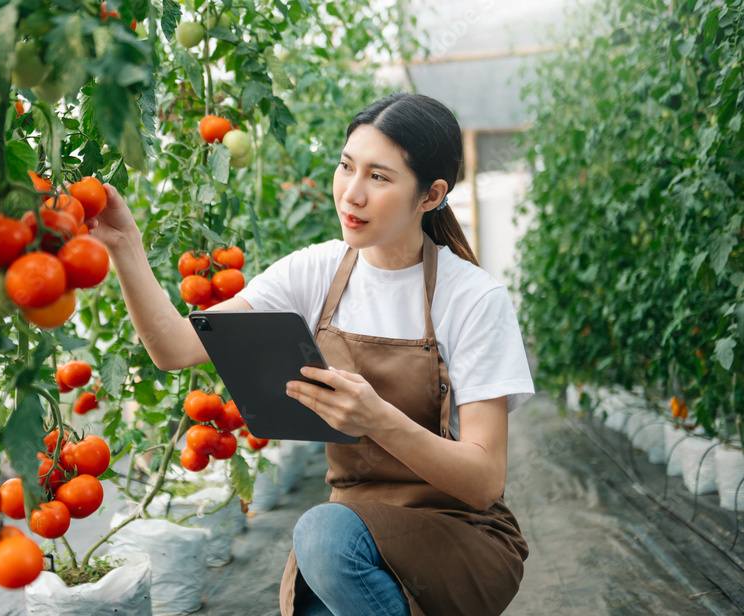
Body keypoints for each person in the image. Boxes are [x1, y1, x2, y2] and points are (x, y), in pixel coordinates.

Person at [88, 92, 533, 616]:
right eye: (347, 166)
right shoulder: (316, 272)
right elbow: (176, 347)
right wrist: (125, 246)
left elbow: (484, 483)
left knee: (320, 531)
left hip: (457, 534)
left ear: (431, 195)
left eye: (379, 177)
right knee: (322, 555)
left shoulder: (473, 298)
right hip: (350, 541)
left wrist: (379, 419)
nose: (352, 193)